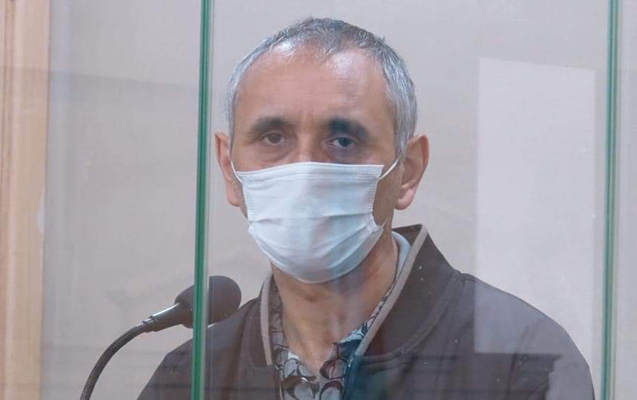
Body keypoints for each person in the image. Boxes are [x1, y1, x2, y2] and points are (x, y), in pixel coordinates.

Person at [139, 17, 594, 400]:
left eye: (342, 141)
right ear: (228, 168)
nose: (305, 171)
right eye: (273, 138)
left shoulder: (521, 362)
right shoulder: (188, 378)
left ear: (407, 171)